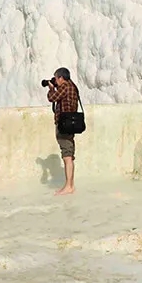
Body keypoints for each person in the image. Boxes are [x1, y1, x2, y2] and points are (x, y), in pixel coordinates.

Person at [46, 67, 80, 196]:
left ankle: (69, 186)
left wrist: (51, 89)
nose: (55, 81)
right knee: (69, 155)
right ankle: (70, 185)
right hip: (70, 124)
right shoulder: (73, 86)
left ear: (61, 78)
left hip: (64, 125)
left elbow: (52, 98)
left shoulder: (65, 86)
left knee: (67, 156)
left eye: (56, 78)